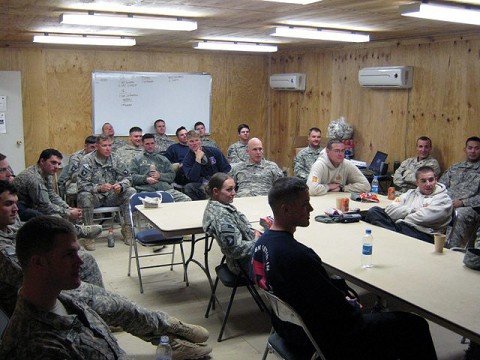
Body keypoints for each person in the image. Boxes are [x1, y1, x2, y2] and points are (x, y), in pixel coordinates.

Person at [251, 177, 437, 360]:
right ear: (285, 209)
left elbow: (318, 293)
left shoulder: (261, 244)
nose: (311, 209)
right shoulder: (298, 256)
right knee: (414, 324)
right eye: (304, 204)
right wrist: (350, 303)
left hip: (286, 328)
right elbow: (342, 313)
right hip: (319, 337)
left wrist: (339, 296)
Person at [0, 215, 212, 360]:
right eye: (68, 255)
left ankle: (170, 332)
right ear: (38, 263)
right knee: (115, 307)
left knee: (120, 305)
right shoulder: (35, 346)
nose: (80, 262)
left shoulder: (66, 302)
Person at [0, 180, 104, 315]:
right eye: (8, 204)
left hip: (42, 283)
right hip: (32, 301)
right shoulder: (2, 251)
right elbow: (35, 277)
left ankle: (77, 230)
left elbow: (31, 231)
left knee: (79, 255)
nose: (16, 209)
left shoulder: (8, 225)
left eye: (16, 203)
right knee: (85, 264)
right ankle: (99, 312)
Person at [12, 149, 102, 249]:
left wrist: (68, 208)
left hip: (32, 205)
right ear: (42, 161)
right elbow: (45, 206)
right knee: (55, 217)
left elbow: (51, 195)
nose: (56, 167)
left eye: (58, 164)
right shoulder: (34, 178)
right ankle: (76, 232)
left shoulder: (47, 173)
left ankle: (72, 236)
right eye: (53, 162)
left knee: (63, 212)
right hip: (18, 209)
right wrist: (68, 212)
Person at [77, 135, 137, 248]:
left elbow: (128, 178)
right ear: (97, 147)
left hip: (111, 195)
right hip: (95, 197)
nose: (108, 148)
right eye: (104, 146)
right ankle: (88, 234)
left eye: (110, 145)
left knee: (130, 191)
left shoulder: (116, 158)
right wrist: (99, 188)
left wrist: (121, 185)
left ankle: (127, 229)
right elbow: (81, 185)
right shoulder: (87, 160)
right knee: (84, 196)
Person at [365, 166, 452, 243]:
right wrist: (412, 210)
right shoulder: (410, 193)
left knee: (384, 230)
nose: (428, 184)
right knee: (374, 211)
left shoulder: (443, 199)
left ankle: (389, 238)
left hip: (424, 235)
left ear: (436, 179)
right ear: (417, 183)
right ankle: (391, 238)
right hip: (401, 227)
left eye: (431, 180)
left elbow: (424, 217)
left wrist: (402, 217)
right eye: (423, 181)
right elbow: (389, 210)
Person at [203, 173, 259, 275]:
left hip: (250, 253)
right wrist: (258, 242)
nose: (234, 193)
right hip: (244, 263)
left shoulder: (221, 205)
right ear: (215, 191)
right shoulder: (222, 216)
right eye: (229, 190)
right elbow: (236, 250)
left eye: (234, 189)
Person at [439, 136, 480, 249]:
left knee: (459, 214)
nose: (473, 151)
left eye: (476, 148)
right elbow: (440, 186)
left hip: (470, 208)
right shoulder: (455, 167)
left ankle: (451, 248)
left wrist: (463, 202)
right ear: (465, 149)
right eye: (470, 148)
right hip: (447, 202)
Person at [130, 133, 191, 202]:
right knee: (148, 205)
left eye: (152, 143)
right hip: (146, 191)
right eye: (147, 144)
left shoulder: (163, 159)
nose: (150, 146)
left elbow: (172, 175)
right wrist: (145, 179)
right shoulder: (136, 160)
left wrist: (160, 176)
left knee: (187, 200)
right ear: (142, 144)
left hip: (166, 190)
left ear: (155, 144)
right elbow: (132, 177)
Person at [182, 130, 231, 200]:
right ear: (187, 143)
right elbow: (193, 178)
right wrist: (198, 159)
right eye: (191, 141)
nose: (195, 143)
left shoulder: (214, 151)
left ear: (200, 141)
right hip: (202, 183)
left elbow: (226, 168)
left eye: (196, 140)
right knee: (188, 187)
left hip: (218, 180)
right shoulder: (187, 160)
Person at [57, 135, 97, 205]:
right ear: (85, 146)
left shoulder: (98, 156)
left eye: (96, 147)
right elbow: (74, 176)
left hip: (94, 181)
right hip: (75, 182)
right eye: (92, 147)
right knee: (83, 192)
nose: (94, 150)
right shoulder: (76, 157)